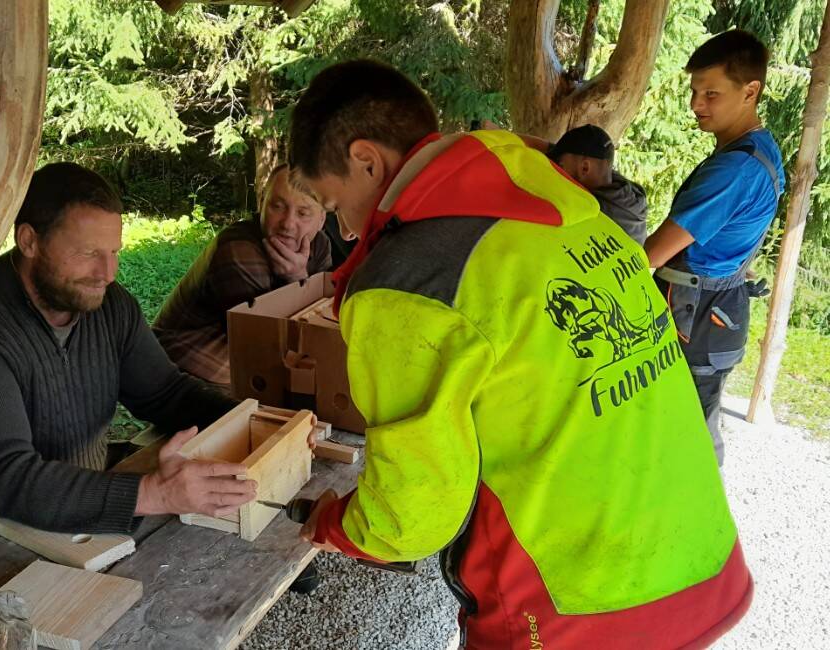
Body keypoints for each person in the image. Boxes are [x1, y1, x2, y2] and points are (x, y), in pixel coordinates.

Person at [289, 59, 751, 649]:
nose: (346, 232)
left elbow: (413, 514)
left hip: (578, 611)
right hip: (699, 561)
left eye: (333, 206)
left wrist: (336, 524)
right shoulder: (560, 202)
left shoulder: (407, 281)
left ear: (367, 161)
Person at [0, 163, 258, 570]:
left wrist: (257, 421)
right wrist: (153, 494)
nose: (108, 273)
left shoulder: (109, 306)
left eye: (114, 252)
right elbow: (8, 480)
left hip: (83, 494)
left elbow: (165, 393)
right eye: (88, 254)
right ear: (29, 240)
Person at [645, 30, 784, 465]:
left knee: (687, 443)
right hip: (715, 310)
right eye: (693, 92)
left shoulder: (736, 168)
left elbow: (651, 253)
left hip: (697, 318)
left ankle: (700, 527)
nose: (696, 105)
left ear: (751, 91)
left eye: (710, 93)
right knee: (690, 428)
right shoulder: (758, 149)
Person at [152, 164, 331, 387]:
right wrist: (297, 278)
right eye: (277, 206)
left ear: (322, 220)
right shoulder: (238, 251)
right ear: (262, 203)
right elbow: (268, 340)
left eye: (303, 213)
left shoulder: (320, 245)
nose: (287, 223)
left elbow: (319, 317)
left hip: (243, 363)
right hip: (187, 364)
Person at [549, 124, 648, 244]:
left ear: (585, 168)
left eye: (560, 166)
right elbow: (546, 147)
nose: (555, 171)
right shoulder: (623, 191)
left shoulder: (592, 213)